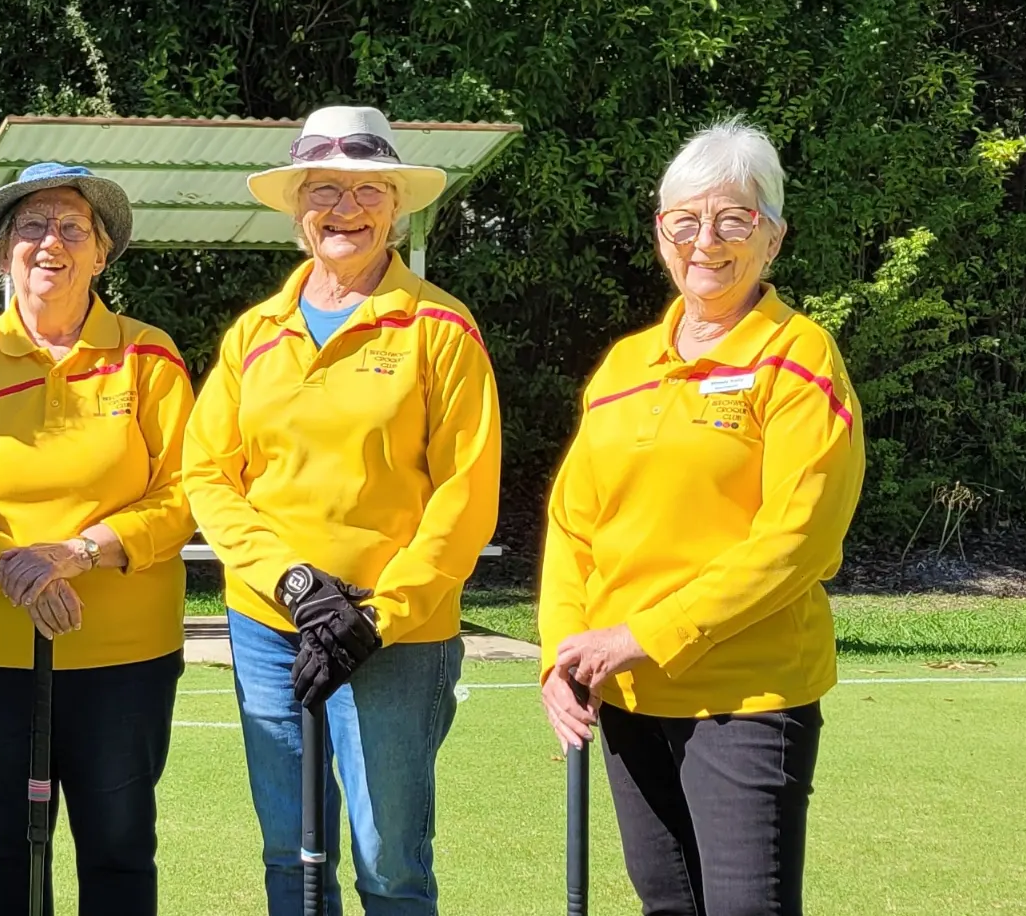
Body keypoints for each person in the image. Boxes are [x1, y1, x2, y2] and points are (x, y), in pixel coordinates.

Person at [539, 121, 865, 916]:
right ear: (660, 235)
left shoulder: (798, 357)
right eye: (683, 221)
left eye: (733, 220)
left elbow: (799, 540)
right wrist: (560, 654)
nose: (704, 241)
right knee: (666, 905)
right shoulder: (621, 367)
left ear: (773, 239)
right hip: (624, 694)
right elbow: (572, 524)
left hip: (744, 698)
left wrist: (646, 633)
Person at [184, 104, 502, 916]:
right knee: (290, 856)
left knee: (388, 864)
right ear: (298, 210)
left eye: (366, 190)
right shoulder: (254, 333)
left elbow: (465, 492)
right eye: (324, 190)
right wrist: (289, 583)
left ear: (396, 206)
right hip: (269, 623)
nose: (345, 209)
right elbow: (208, 474)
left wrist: (378, 615)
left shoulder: (440, 326)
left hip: (393, 632)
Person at [0, 162, 195, 916]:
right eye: (30, 227)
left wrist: (80, 552)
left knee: (119, 850)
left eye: (72, 228)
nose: (50, 243)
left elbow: (189, 490)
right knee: (4, 846)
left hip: (123, 655)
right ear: (3, 254)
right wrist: (9, 567)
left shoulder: (149, 355)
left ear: (102, 253)